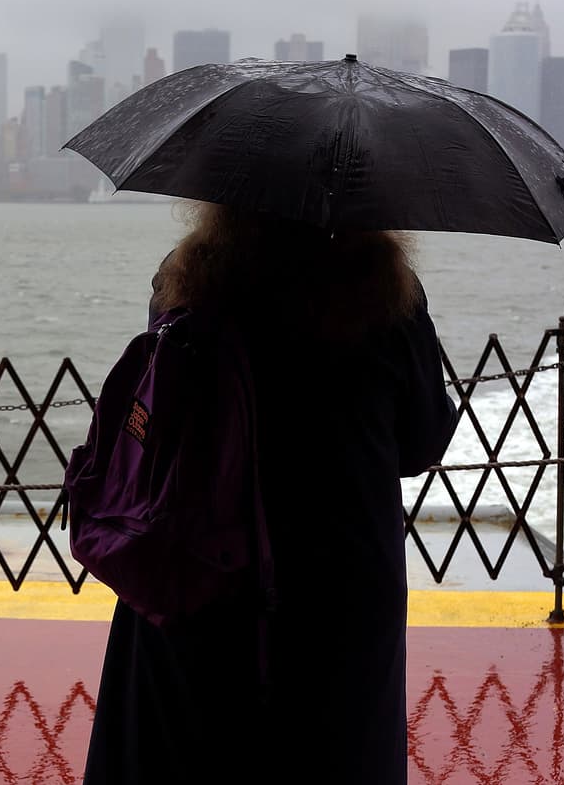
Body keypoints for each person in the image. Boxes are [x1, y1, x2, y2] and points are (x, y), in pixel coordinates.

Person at [80, 200, 459, 784]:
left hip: (200, 561)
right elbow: (420, 443)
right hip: (342, 576)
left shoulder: (185, 282)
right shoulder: (387, 294)